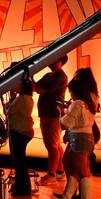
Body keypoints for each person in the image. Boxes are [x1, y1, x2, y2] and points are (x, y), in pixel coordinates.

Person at [54, 67, 98, 199]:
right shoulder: (91, 99)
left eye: (71, 91)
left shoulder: (78, 104)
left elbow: (66, 123)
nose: (70, 94)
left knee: (82, 171)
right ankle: (67, 197)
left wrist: (62, 112)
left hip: (80, 138)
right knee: (71, 166)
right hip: (82, 137)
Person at [35, 54, 69, 184]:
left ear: (60, 61)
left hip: (53, 114)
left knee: (51, 146)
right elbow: (37, 88)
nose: (51, 61)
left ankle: (51, 174)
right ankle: (60, 172)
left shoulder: (60, 76)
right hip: (46, 113)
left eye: (55, 59)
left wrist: (35, 84)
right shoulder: (49, 75)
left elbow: (42, 90)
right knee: (54, 144)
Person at [4, 76, 36, 197]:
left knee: (19, 162)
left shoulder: (22, 99)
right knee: (20, 161)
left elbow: (8, 111)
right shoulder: (26, 98)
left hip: (19, 131)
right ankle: (22, 187)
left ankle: (23, 188)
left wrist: (11, 98)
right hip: (22, 131)